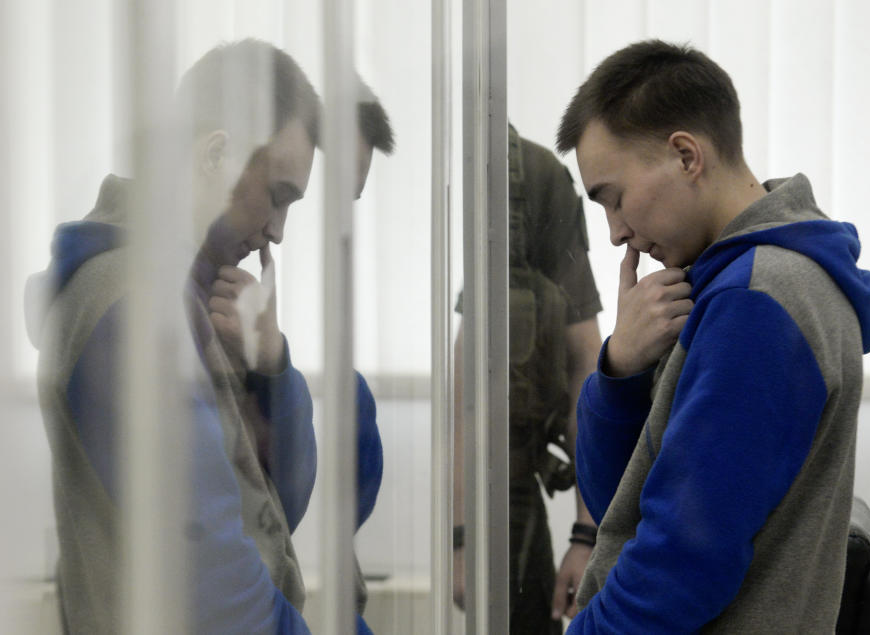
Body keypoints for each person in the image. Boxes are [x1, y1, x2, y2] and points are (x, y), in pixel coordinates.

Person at [24, 40, 393, 634]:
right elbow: (220, 590)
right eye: (278, 197)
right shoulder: (129, 307)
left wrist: (271, 372)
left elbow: (278, 513)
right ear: (215, 154)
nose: (277, 231)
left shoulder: (187, 294)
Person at [553, 40, 870, 633]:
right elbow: (620, 512)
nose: (615, 234)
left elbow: (680, 565)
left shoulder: (756, 301)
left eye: (615, 199)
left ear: (686, 156)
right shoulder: (739, 285)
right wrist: (621, 371)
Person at [453, 124, 603, 633]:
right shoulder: (482, 174)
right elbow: (464, 381)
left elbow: (587, 363)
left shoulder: (533, 180)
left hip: (511, 488)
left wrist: (586, 534)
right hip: (494, 494)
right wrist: (459, 536)